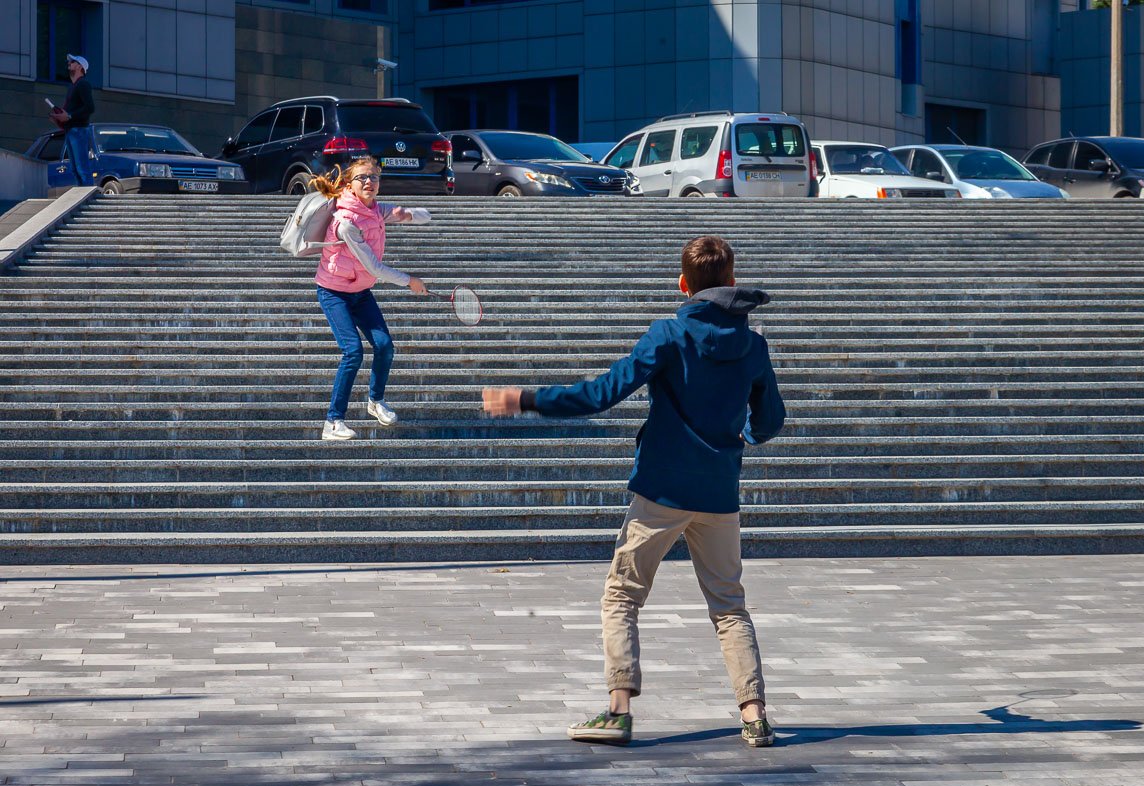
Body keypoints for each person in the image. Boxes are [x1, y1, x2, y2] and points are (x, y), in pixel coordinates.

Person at [482, 235, 786, 746]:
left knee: (622, 596)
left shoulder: (667, 334)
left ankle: (618, 712)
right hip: (718, 494)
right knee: (729, 606)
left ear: (683, 285)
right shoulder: (753, 346)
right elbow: (771, 420)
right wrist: (739, 440)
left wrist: (526, 398)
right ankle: (754, 715)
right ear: (732, 282)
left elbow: (602, 393)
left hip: (661, 493)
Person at [308, 155, 430, 441]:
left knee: (385, 345)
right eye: (362, 177)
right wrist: (410, 281)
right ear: (350, 183)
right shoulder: (345, 221)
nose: (369, 182)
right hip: (334, 292)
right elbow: (373, 267)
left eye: (374, 177)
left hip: (360, 291)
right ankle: (333, 422)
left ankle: (375, 401)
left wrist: (416, 214)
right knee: (352, 352)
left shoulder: (375, 210)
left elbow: (405, 213)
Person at [49, 54, 95, 187]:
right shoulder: (73, 87)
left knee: (81, 169)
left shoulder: (83, 84)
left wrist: (69, 116)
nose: (69, 63)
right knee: (75, 169)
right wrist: (60, 119)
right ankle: (83, 197)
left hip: (78, 130)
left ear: (80, 67)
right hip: (72, 130)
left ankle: (87, 197)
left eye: (73, 62)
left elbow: (90, 107)